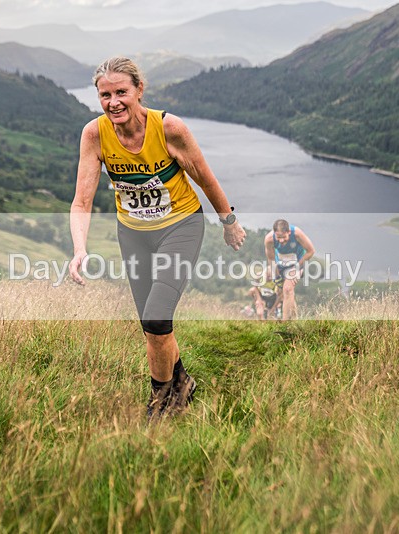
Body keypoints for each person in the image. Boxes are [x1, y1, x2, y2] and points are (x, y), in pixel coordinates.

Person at [69, 56, 246, 420]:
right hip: (133, 234)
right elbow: (82, 200)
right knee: (152, 326)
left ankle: (161, 403)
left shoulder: (169, 128)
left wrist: (229, 222)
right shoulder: (94, 134)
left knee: (156, 316)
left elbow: (205, 178)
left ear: (139, 90)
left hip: (180, 228)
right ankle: (182, 383)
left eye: (121, 92)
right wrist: (79, 249)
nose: (113, 102)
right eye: (105, 95)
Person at [263, 219, 315, 320]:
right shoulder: (269, 239)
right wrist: (277, 277)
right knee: (287, 292)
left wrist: (296, 268)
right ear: (274, 234)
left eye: (284, 237)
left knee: (287, 289)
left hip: (297, 264)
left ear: (289, 232)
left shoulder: (297, 234)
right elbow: (271, 259)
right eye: (278, 237)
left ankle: (285, 323)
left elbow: (311, 251)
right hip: (281, 265)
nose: (281, 241)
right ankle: (295, 320)